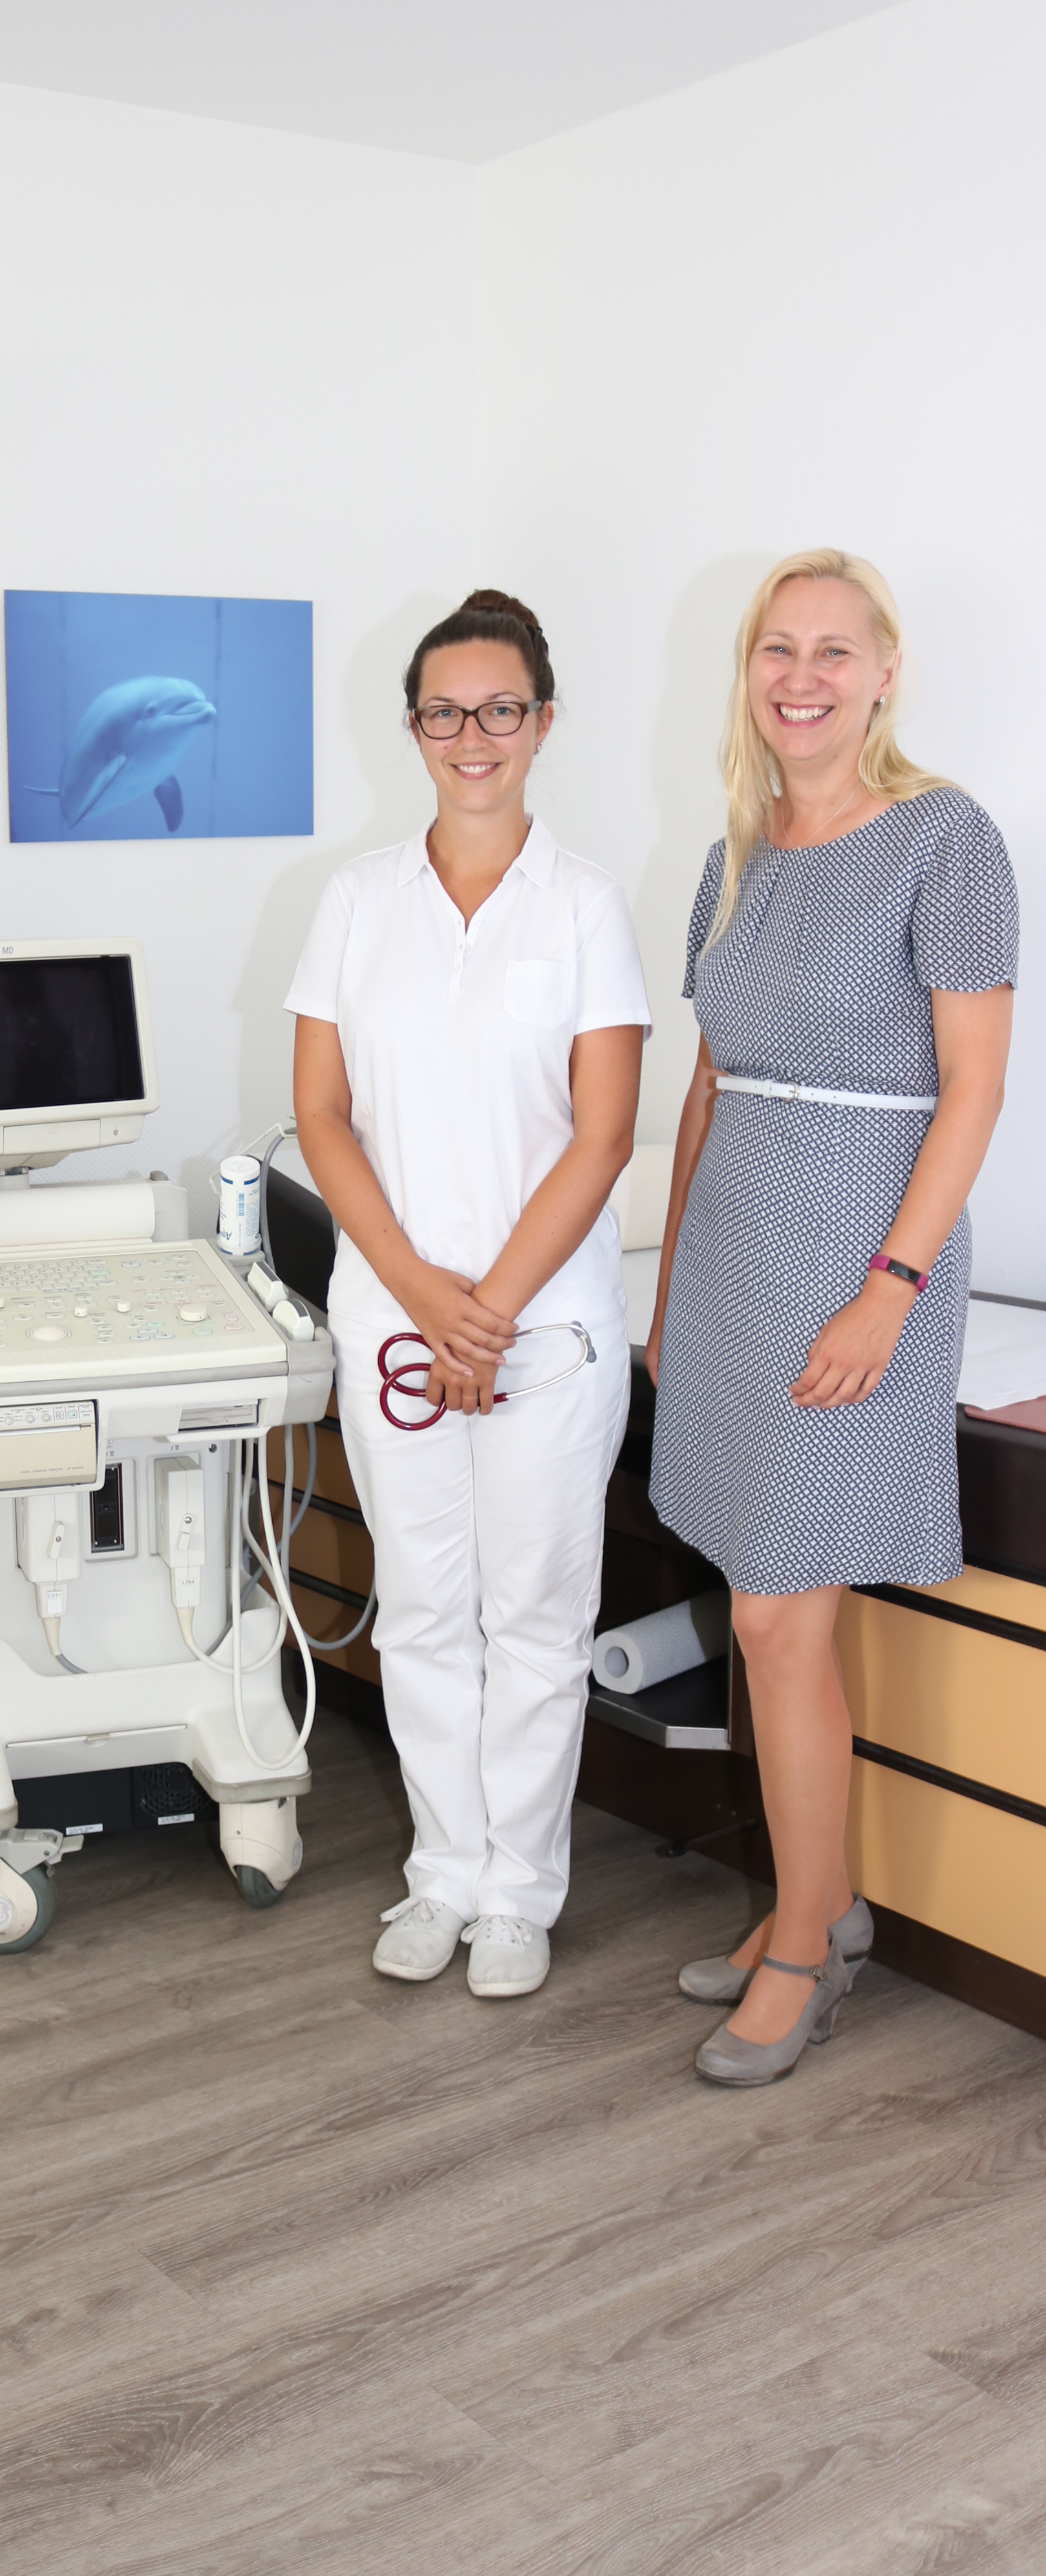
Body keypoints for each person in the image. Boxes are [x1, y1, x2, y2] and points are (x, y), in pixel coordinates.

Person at [646, 550, 1016, 2087]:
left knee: (777, 1617)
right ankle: (818, 1893)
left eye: (831, 651)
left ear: (881, 674)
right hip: (733, 1268)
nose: (798, 676)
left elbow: (974, 1091)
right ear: (747, 674)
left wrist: (890, 1288)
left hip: (859, 1269)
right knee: (760, 1597)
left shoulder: (946, 840)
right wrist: (667, 1282)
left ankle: (806, 1943)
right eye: (772, 650)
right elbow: (706, 1086)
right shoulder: (733, 854)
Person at [289, 590, 649, 1998]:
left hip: (543, 1330)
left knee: (534, 1616)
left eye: (500, 709)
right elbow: (321, 1115)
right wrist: (418, 1295)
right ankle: (440, 1871)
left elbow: (602, 1131)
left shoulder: (583, 906)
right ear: (413, 729)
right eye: (445, 711)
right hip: (393, 1314)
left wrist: (484, 1310)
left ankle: (517, 1891)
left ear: (541, 724)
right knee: (426, 1610)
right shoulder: (353, 901)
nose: (471, 735)